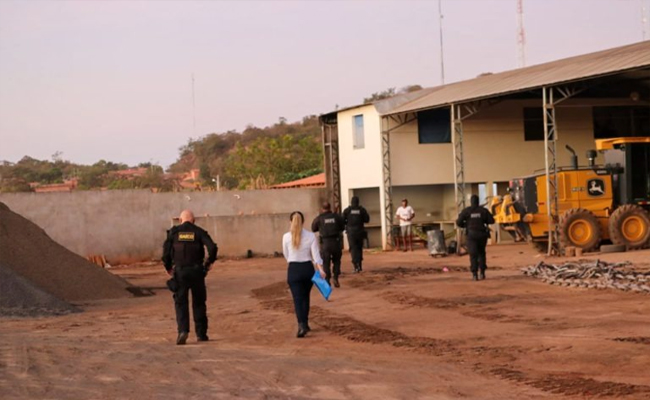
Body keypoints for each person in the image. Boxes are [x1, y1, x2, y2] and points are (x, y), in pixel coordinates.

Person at [162, 210, 218, 345]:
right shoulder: (199, 232)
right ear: (194, 220)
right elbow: (212, 247)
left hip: (180, 273)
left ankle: (183, 331)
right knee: (199, 302)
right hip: (197, 272)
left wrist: (169, 268)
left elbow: (165, 253)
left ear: (180, 220)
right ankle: (201, 334)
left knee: (181, 303)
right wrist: (209, 262)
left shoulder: (174, 233)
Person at [282, 211, 326, 338]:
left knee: (297, 299)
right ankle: (305, 323)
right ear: (303, 221)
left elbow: (286, 254)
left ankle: (301, 324)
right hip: (307, 268)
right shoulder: (311, 236)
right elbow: (316, 256)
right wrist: (321, 269)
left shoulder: (286, 237)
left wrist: (292, 261)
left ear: (290, 222)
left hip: (293, 268)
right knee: (305, 297)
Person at [456, 195, 495, 281]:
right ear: (478, 201)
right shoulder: (483, 211)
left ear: (471, 201)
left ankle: (474, 275)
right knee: (481, 253)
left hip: (471, 235)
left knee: (473, 255)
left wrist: (466, 225)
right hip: (482, 234)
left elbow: (458, 222)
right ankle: (482, 273)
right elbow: (492, 220)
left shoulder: (466, 211)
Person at [311, 202, 345, 288]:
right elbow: (343, 227)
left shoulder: (319, 218)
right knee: (337, 261)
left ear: (322, 209)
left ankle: (327, 280)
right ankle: (336, 278)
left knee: (326, 263)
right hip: (336, 242)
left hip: (325, 243)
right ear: (330, 208)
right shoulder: (336, 217)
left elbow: (313, 228)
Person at [342, 196, 370, 273]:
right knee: (359, 248)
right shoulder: (362, 210)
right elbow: (367, 219)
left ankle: (355, 266)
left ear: (351, 202)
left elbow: (342, 220)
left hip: (351, 233)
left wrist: (347, 223)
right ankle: (360, 265)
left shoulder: (347, 210)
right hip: (360, 232)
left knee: (353, 249)